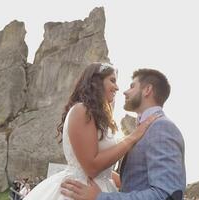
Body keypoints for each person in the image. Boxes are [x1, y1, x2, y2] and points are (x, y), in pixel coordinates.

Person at [23, 63, 158, 200]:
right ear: (96, 81)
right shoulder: (81, 110)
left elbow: (104, 172)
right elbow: (91, 167)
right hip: (79, 191)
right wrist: (133, 137)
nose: (117, 87)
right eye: (112, 80)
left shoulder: (97, 116)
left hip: (99, 190)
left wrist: (134, 185)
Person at [61, 68, 186, 200]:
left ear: (147, 90)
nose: (124, 91)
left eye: (132, 86)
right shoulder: (143, 129)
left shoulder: (161, 128)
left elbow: (167, 195)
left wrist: (101, 197)